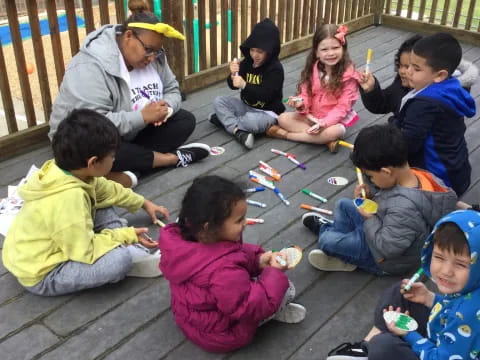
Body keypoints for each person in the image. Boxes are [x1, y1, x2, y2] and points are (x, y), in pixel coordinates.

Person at [2, 109, 170, 296]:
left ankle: (114, 242)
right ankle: (119, 249)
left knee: (101, 197)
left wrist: (143, 203)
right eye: (112, 156)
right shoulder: (68, 199)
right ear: (93, 162)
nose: (114, 159)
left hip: (51, 245)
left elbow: (107, 189)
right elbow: (84, 250)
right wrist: (126, 235)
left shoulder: (66, 169)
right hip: (43, 272)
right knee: (120, 261)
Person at [47, 0, 210, 188]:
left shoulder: (155, 57)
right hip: (83, 139)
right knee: (101, 151)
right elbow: (92, 127)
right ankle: (170, 159)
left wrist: (165, 108)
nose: (152, 57)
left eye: (156, 52)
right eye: (148, 50)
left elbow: (172, 89)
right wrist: (142, 116)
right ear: (128, 36)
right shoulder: (90, 66)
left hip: (131, 132)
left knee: (185, 121)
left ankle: (123, 171)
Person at [158, 175, 306, 352]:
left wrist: (258, 260)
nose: (245, 223)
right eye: (239, 220)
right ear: (209, 227)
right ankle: (274, 312)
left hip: (190, 317)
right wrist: (274, 273)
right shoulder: (222, 271)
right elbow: (249, 308)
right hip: (225, 334)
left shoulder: (187, 235)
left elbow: (231, 255)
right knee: (287, 289)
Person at [303, 124, 457, 275]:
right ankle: (342, 243)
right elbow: (389, 192)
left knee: (327, 240)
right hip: (382, 225)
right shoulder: (414, 175)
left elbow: (387, 248)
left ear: (386, 171)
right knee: (342, 205)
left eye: (370, 176)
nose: (369, 179)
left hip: (383, 258)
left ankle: (337, 243)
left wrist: (369, 219)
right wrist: (372, 191)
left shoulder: (404, 209)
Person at [326, 209, 480, 360]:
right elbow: (453, 307)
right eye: (439, 257)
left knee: (383, 346)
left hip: (438, 353)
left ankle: (372, 349)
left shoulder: (467, 315)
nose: (446, 271)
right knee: (401, 293)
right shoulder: (470, 286)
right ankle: (365, 349)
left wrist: (408, 334)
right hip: (444, 336)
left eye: (460, 264)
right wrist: (430, 298)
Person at [392, 33, 476, 196]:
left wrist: (377, 150)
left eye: (416, 69)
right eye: (409, 65)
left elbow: (407, 145)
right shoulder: (451, 87)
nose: (408, 72)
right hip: (457, 172)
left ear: (439, 75)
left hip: (438, 182)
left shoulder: (425, 104)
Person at [266, 24, 361, 153]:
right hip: (312, 117)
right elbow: (306, 94)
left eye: (335, 48)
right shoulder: (313, 69)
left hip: (332, 121)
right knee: (282, 118)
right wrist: (300, 103)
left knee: (336, 131)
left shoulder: (349, 75)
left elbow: (343, 107)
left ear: (343, 49)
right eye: (324, 49)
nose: (331, 53)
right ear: (316, 52)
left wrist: (325, 123)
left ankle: (287, 135)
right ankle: (323, 140)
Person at [359, 34, 478, 125]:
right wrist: (371, 89)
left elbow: (413, 138)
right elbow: (383, 104)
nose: (403, 71)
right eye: (400, 65)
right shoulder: (403, 83)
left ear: (438, 75)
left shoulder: (436, 101)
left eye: (412, 67)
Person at [209, 18, 285, 149]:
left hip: (267, 112)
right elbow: (232, 86)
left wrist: (244, 85)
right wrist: (233, 74)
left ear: (270, 51)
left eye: (260, 52)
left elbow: (266, 95)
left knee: (251, 120)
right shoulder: (248, 62)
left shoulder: (275, 69)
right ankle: (238, 131)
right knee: (218, 101)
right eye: (252, 50)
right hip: (245, 107)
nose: (255, 55)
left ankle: (223, 121)